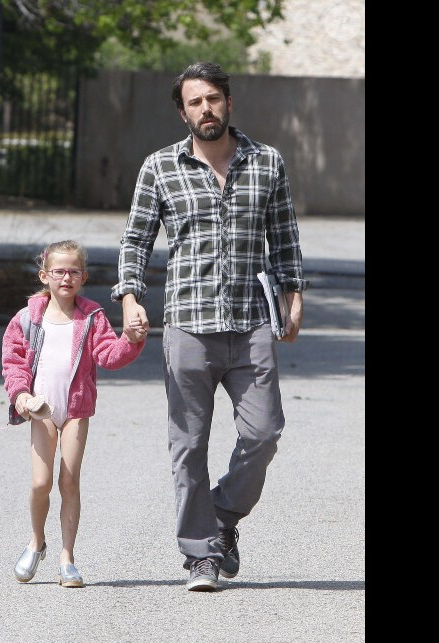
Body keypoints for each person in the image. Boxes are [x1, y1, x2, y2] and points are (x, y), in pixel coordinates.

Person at [111, 62, 308, 591]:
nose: (206, 109)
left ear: (228, 101)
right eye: (195, 102)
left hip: (250, 324)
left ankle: (220, 516)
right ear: (183, 111)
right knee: (188, 444)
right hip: (188, 327)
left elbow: (284, 237)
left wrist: (294, 295)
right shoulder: (159, 167)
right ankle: (200, 554)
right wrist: (130, 297)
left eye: (214, 98)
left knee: (264, 433)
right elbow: (135, 242)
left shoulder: (266, 163)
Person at [2, 240, 146, 587]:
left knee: (68, 480)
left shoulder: (92, 316)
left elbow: (109, 356)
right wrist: (21, 395)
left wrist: (131, 338)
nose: (66, 278)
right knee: (41, 482)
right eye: (59, 271)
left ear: (83, 277)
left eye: (73, 272)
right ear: (45, 275)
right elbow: (14, 361)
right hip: (41, 409)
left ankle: (67, 557)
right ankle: (37, 542)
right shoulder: (27, 318)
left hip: (76, 409)